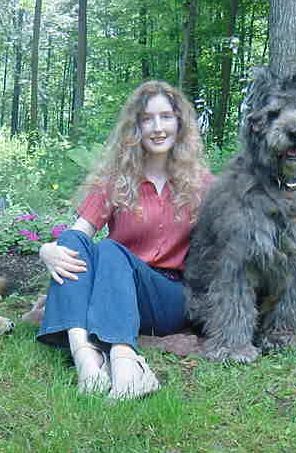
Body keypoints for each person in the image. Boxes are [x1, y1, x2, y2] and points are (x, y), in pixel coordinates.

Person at [37, 80, 212, 399]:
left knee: (110, 249)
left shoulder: (202, 185)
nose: (157, 128)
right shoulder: (117, 179)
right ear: (136, 127)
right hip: (115, 291)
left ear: (180, 123)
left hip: (170, 297)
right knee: (74, 243)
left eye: (166, 117)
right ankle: (87, 359)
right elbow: (79, 233)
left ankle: (126, 363)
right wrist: (47, 250)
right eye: (147, 119)